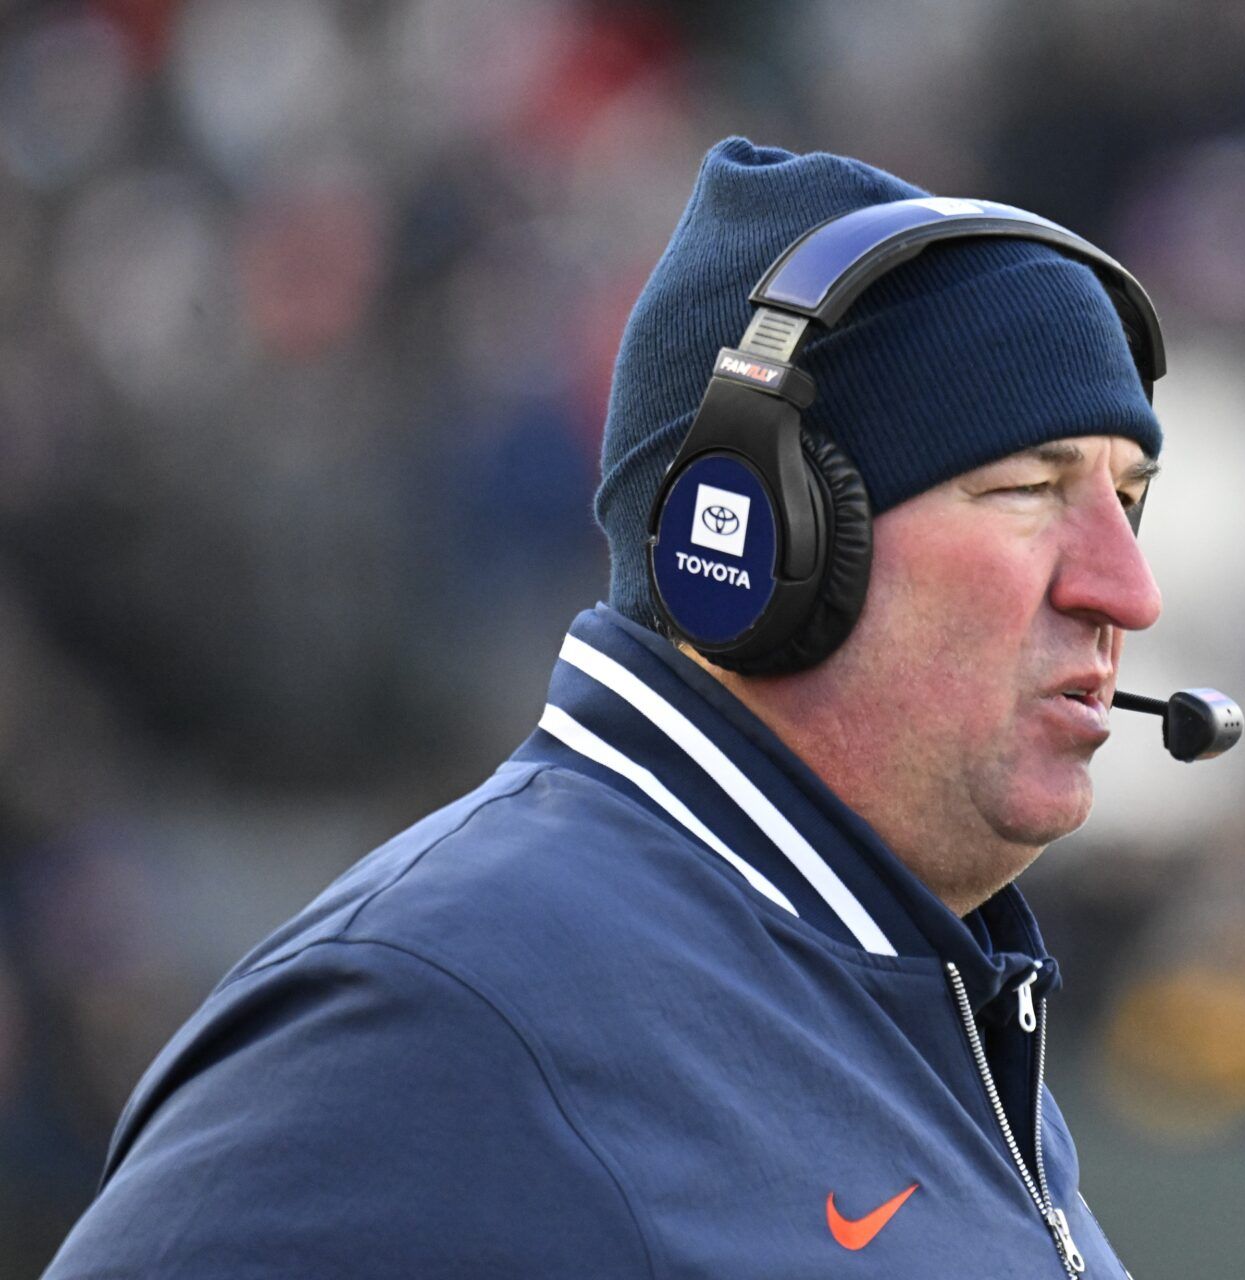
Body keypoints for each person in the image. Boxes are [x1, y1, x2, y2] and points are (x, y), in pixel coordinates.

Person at [47, 137, 1170, 1278]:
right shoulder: (440, 1009)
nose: (1128, 587)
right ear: (758, 535)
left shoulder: (936, 999)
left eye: (1129, 500)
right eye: (1028, 489)